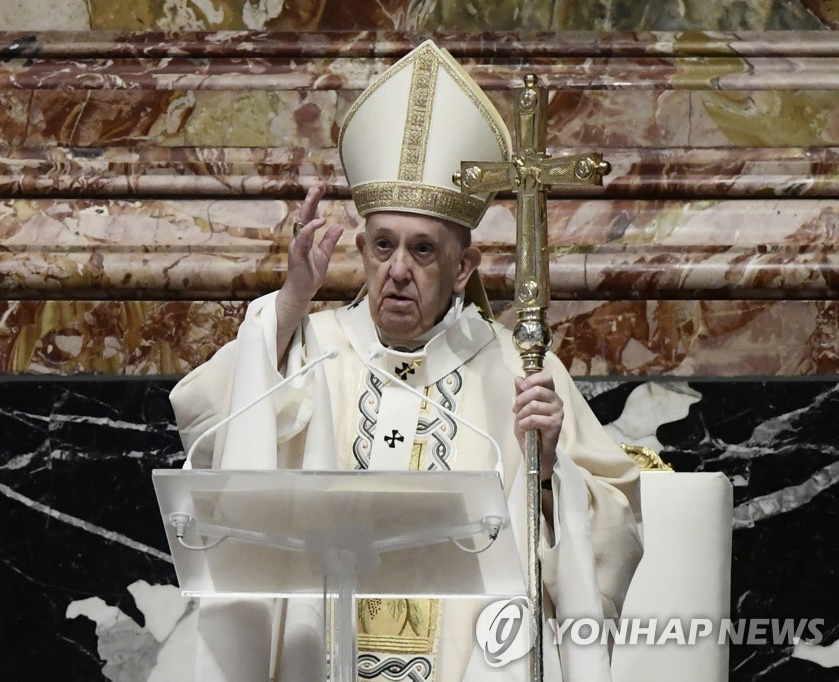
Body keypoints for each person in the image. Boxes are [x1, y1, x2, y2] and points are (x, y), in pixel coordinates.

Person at [170, 40, 642, 682]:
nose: (396, 272)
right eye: (383, 245)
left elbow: (611, 521)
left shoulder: (518, 371)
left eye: (422, 251)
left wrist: (547, 470)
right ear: (359, 247)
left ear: (464, 266)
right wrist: (288, 302)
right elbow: (211, 425)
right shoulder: (308, 346)